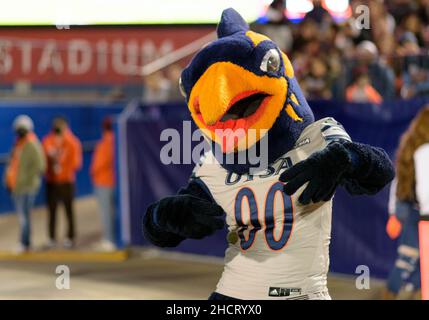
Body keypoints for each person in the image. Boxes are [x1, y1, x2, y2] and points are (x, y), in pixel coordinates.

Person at [384, 106, 429, 299]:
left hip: (406, 206)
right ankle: (390, 293)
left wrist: (394, 211)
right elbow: (424, 188)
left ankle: (418, 292)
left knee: (417, 260)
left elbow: (398, 182)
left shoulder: (410, 145)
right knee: (410, 259)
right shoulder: (424, 150)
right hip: (417, 210)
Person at [3, 115, 45, 252]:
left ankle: (25, 243)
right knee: (23, 217)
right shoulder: (18, 145)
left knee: (23, 217)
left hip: (26, 187)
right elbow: (12, 165)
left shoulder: (32, 144)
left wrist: (26, 181)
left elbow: (40, 166)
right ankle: (26, 242)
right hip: (16, 187)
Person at [42, 117, 82, 249]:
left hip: (66, 181)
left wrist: (63, 166)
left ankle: (70, 237)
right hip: (52, 181)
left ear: (66, 126)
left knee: (68, 211)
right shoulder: (48, 141)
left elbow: (77, 163)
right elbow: (44, 160)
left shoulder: (72, 142)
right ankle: (52, 238)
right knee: (52, 212)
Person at [90, 117, 116, 251]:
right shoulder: (118, 140)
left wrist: (93, 172)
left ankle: (109, 240)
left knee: (106, 213)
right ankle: (114, 238)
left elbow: (98, 164)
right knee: (113, 212)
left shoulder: (105, 143)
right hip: (114, 181)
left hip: (103, 181)